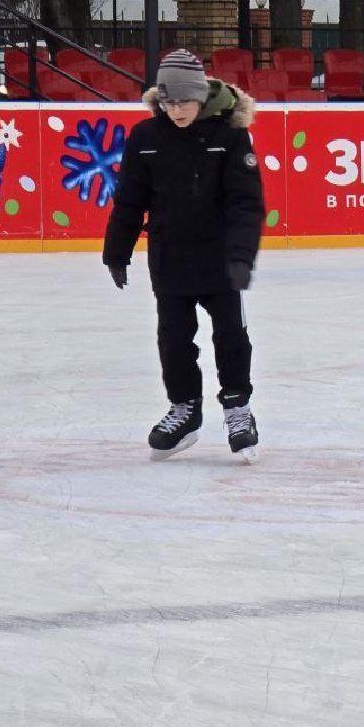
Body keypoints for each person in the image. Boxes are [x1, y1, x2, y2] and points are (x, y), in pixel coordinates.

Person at [104, 49, 266, 462]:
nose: (176, 110)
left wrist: (241, 256)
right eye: (169, 102)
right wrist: (116, 250)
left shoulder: (230, 137)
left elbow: (246, 204)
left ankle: (237, 408)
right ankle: (185, 409)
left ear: (201, 97)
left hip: (220, 260)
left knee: (231, 337)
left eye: (184, 102)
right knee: (173, 340)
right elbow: (128, 200)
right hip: (170, 257)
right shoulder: (146, 139)